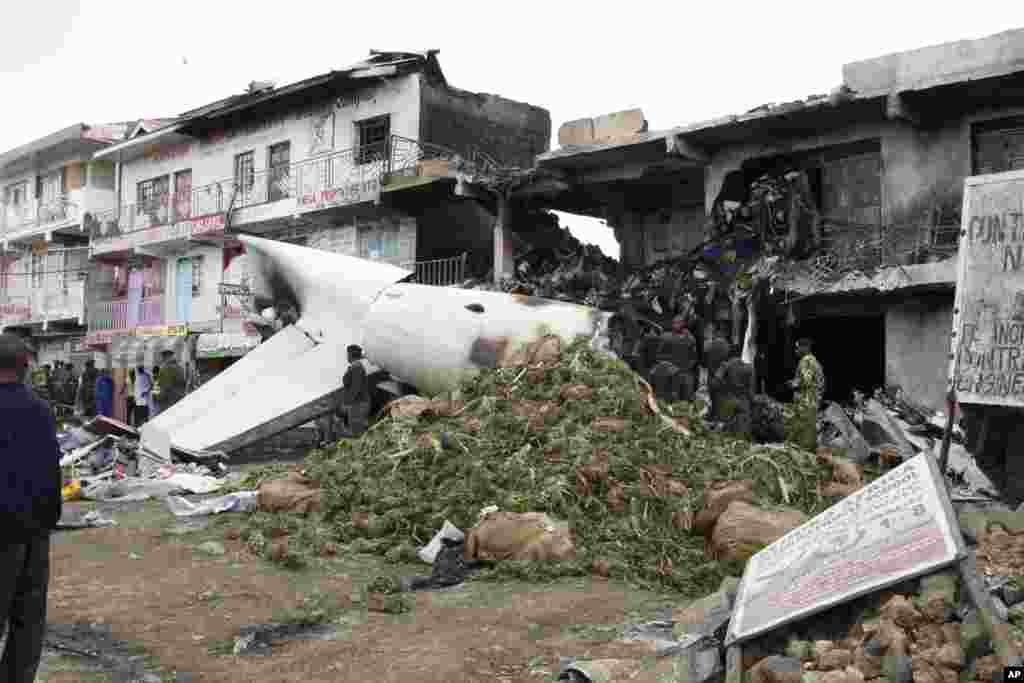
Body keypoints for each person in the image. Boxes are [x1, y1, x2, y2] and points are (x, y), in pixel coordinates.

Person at [0, 333, 63, 682]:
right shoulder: (40, 410)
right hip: (34, 532)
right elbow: (51, 469)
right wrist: (49, 519)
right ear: (25, 368)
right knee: (28, 620)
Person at [788, 337, 826, 451]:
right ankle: (809, 451)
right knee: (810, 428)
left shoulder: (806, 361)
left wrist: (793, 384)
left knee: (804, 430)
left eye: (798, 347)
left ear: (805, 348)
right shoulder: (814, 361)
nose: (796, 350)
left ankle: (805, 453)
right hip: (813, 401)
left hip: (806, 401)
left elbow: (806, 381)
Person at [337, 345, 371, 437]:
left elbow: (355, 388)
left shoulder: (356, 367)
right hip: (358, 403)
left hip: (358, 404)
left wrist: (346, 403)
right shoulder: (356, 367)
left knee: (357, 433)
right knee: (359, 430)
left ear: (351, 355)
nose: (347, 356)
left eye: (347, 354)